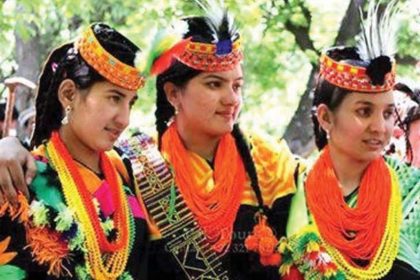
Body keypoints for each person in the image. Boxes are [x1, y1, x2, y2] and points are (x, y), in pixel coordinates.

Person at [0, 2, 298, 279]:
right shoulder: (129, 167)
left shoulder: (270, 164)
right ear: (173, 94)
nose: (231, 98)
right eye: (214, 83)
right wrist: (9, 147)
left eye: (237, 85)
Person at [278, 2, 420, 279]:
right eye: (364, 111)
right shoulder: (288, 189)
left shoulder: (413, 192)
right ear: (326, 118)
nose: (380, 127)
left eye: (388, 113)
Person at [0, 23, 149, 279]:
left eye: (130, 102)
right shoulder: (23, 182)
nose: (124, 119)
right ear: (68, 94)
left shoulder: (131, 186)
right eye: (114, 98)